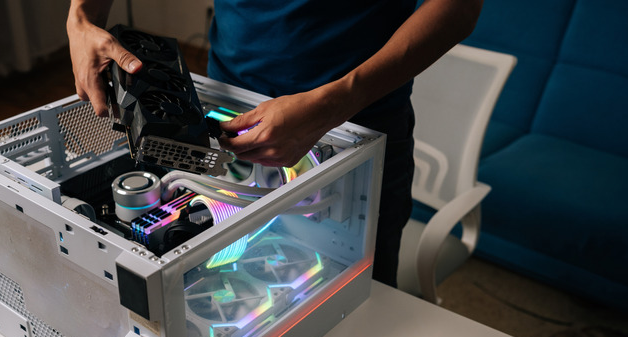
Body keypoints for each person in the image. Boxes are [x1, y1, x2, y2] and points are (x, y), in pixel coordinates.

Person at [66, 0, 482, 287]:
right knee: (219, 282)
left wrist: (333, 104)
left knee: (352, 311)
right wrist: (81, 17)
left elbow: (459, 9)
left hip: (354, 133)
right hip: (227, 118)